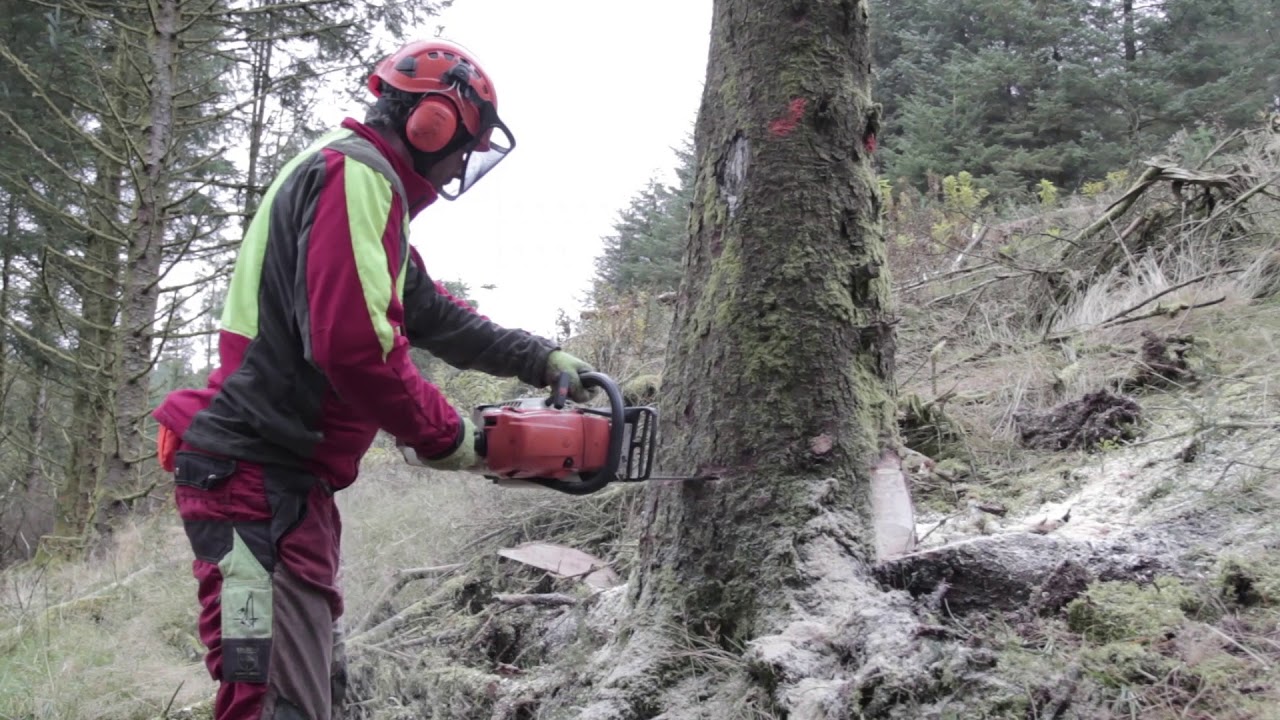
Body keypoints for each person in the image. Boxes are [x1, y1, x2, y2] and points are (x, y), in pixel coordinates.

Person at [152, 38, 595, 720]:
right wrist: (452, 438)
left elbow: (432, 313)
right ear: (433, 123)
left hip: (278, 485)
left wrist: (538, 357)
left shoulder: (356, 185)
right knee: (274, 699)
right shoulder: (353, 176)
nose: (458, 165)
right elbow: (355, 345)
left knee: (304, 690)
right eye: (461, 147)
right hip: (253, 486)